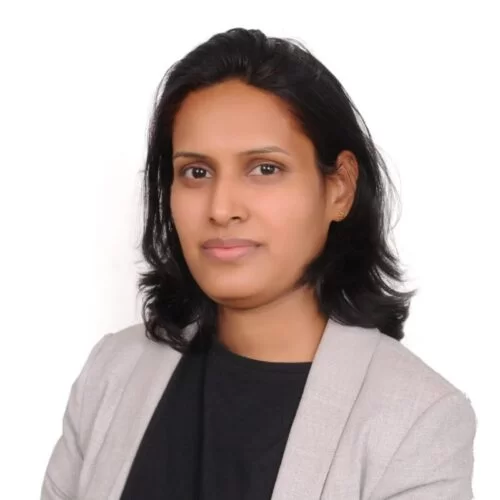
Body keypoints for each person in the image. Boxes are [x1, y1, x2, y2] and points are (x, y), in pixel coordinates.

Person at [41, 28, 477, 500]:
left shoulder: (417, 419)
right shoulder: (112, 370)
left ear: (340, 188)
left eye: (265, 169)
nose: (221, 208)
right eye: (196, 172)